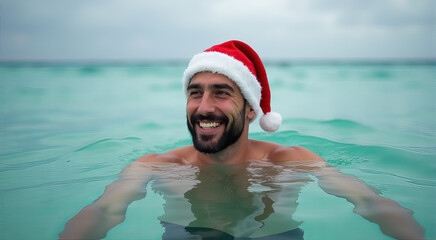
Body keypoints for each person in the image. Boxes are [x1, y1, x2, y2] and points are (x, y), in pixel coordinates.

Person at [59, 40, 425, 240]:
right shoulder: (157, 166)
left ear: (251, 110)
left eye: (221, 93)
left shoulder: (290, 161)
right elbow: (104, 210)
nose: (204, 107)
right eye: (195, 93)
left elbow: (372, 203)